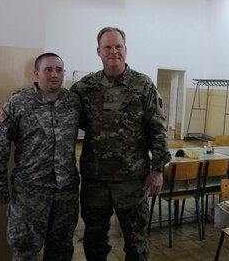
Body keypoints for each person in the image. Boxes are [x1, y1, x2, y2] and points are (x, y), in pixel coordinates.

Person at [70, 27, 171, 261]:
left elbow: (157, 128)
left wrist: (158, 170)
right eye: (108, 47)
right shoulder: (84, 88)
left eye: (118, 47)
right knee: (94, 239)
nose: (113, 51)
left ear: (126, 50)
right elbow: (63, 115)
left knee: (136, 242)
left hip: (132, 179)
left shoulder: (143, 85)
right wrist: (32, 98)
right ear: (98, 51)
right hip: (96, 180)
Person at [0, 53, 82, 261]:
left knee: (61, 249)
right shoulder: (17, 102)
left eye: (59, 70)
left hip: (66, 193)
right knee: (25, 249)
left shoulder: (74, 103)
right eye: (48, 69)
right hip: (30, 193)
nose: (54, 75)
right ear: (36, 73)